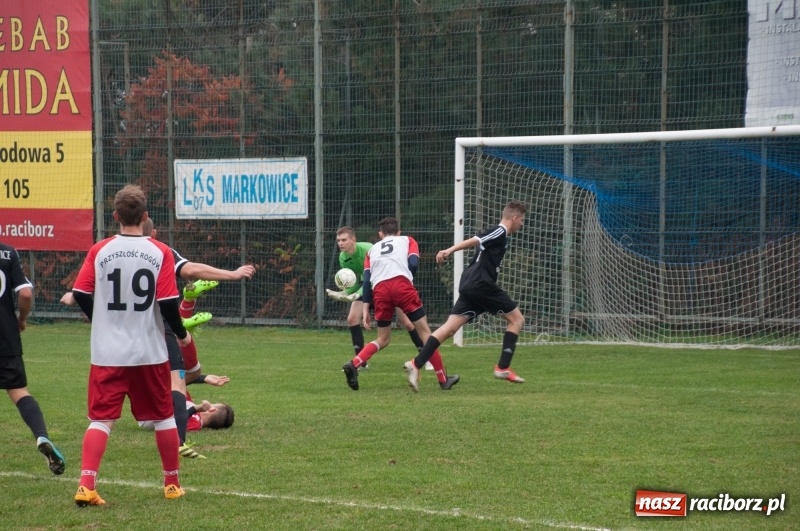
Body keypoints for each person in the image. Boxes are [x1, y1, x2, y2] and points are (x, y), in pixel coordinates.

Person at [71, 184, 190, 506]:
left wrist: (99, 320)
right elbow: (167, 302)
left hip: (107, 351)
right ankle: (172, 484)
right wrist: (180, 333)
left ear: (115, 217)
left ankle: (87, 485)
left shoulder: (100, 250)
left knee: (101, 419)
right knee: (164, 416)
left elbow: (80, 293)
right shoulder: (159, 251)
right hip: (148, 350)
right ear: (145, 216)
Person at [403, 200, 527, 391]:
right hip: (481, 285)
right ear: (515, 217)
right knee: (517, 319)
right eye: (522, 220)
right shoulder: (500, 231)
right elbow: (475, 240)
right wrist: (450, 250)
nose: (522, 224)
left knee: (449, 328)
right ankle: (502, 367)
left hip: (470, 285)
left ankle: (415, 364)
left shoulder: (500, 236)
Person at [341, 217, 458, 392]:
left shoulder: (371, 251)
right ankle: (443, 379)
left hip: (379, 291)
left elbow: (366, 282)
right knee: (426, 333)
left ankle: (354, 363)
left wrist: (366, 307)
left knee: (383, 338)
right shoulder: (408, 240)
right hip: (401, 286)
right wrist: (406, 277)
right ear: (398, 232)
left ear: (380, 234)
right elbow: (413, 263)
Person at [326, 226, 433, 371]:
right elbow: (359, 281)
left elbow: (371, 277)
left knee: (407, 323)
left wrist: (356, 294)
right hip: (368, 288)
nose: (340, 243)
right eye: (338, 240)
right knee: (352, 318)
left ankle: (426, 357)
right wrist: (346, 293)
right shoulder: (343, 258)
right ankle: (361, 364)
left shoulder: (369, 249)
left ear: (353, 239)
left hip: (384, 285)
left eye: (344, 240)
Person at [0, 240, 66, 476]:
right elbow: (26, 294)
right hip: (5, 337)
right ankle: (41, 436)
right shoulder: (7, 253)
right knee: (19, 392)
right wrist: (22, 318)